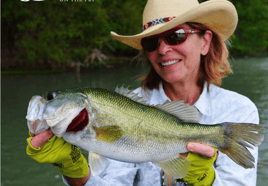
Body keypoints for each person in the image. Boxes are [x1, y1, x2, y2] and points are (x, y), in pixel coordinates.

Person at [26, 0, 260, 185]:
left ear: (205, 42)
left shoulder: (239, 110)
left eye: (175, 36)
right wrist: (75, 171)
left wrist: (205, 181)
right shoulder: (124, 107)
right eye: (151, 42)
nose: (163, 50)